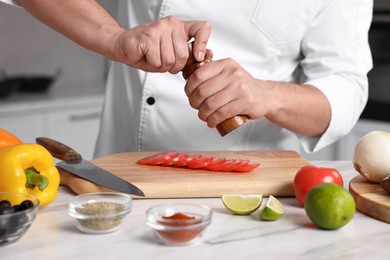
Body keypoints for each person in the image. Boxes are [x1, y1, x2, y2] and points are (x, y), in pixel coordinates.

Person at [2, 0, 373, 158]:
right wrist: (116, 40)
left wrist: (267, 96)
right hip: (122, 175)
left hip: (249, 197)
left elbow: (346, 86)